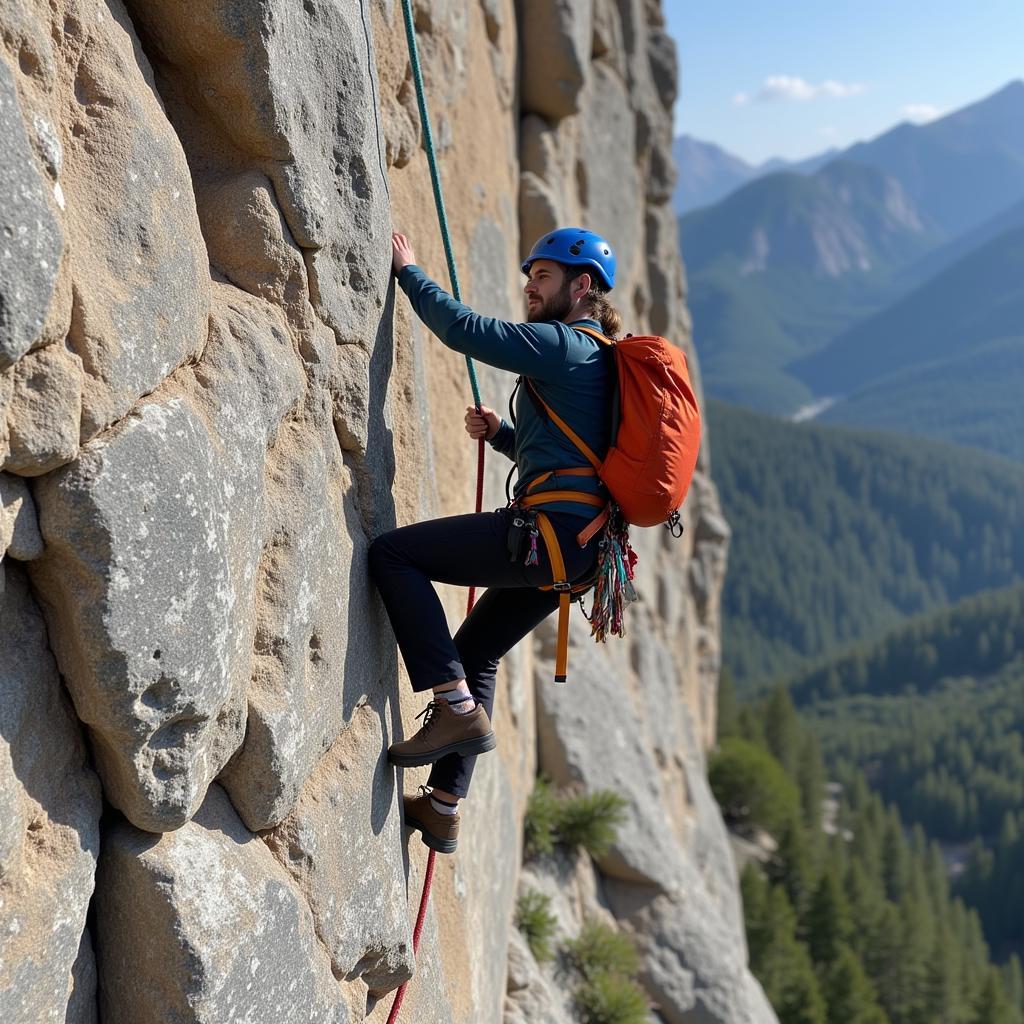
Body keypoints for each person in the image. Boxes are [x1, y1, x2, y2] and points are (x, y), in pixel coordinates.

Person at [368, 227, 623, 853]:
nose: (530, 290)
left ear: (580, 285)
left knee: (393, 555)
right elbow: (573, 455)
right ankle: (443, 805)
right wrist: (505, 434)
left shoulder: (567, 345)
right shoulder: (601, 360)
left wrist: (410, 272)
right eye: (529, 278)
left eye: (542, 278)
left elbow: (468, 332)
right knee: (478, 649)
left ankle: (454, 705)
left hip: (548, 535)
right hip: (581, 550)